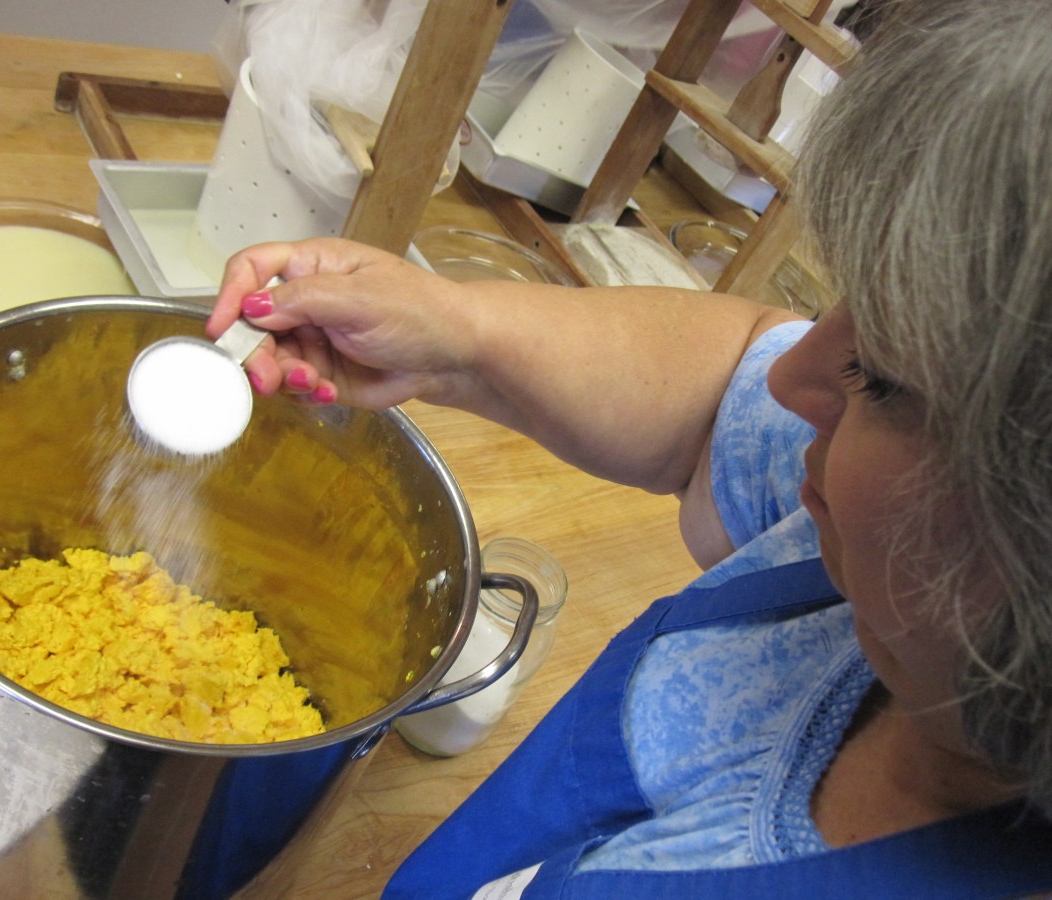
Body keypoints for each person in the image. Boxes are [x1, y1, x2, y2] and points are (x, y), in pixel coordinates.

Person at [206, 0, 1052, 894]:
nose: (791, 377)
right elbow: (722, 381)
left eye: (878, 374)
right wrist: (455, 328)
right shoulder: (884, 576)